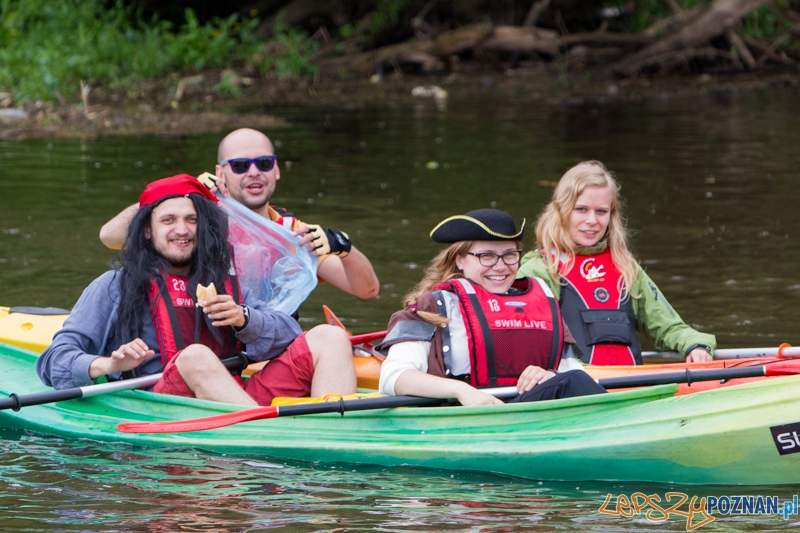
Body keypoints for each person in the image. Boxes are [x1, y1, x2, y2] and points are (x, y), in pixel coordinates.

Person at [38, 174, 356, 406]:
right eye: (168, 220)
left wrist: (245, 318)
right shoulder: (114, 286)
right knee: (195, 356)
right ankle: (266, 437)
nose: (182, 230)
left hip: (233, 399)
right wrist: (107, 364)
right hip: (163, 405)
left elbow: (288, 335)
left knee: (331, 337)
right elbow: (54, 360)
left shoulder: (224, 283)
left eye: (191, 220)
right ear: (147, 230)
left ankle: (333, 433)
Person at [99, 127, 379, 300]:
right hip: (207, 344)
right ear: (220, 172)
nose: (254, 172)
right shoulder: (193, 218)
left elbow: (368, 290)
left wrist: (343, 246)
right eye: (241, 165)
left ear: (276, 170)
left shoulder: (292, 232)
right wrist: (181, 190)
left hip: (268, 346)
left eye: (264, 163)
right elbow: (110, 237)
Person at [377, 209, 606, 406]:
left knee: (572, 380)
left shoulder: (541, 304)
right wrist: (460, 390)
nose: (500, 266)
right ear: (459, 259)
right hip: (464, 418)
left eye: (509, 255)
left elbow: (574, 376)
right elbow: (392, 377)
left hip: (527, 414)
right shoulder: (432, 306)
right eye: (487, 256)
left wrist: (549, 375)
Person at [518, 160, 716, 365]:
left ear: (611, 215)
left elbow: (669, 327)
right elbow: (523, 345)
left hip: (632, 381)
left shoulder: (626, 268)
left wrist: (696, 345)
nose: (592, 220)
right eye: (581, 209)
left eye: (601, 211)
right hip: (574, 383)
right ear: (561, 211)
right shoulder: (539, 270)